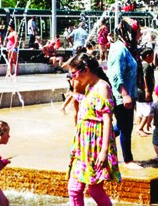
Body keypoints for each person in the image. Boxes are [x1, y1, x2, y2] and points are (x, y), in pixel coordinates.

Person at [67, 53, 121, 205]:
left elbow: (107, 119)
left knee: (95, 191)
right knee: (74, 188)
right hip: (83, 144)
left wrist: (104, 151)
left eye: (74, 73)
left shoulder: (103, 87)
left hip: (95, 146)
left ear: (85, 69)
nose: (74, 78)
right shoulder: (89, 87)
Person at [107, 18, 141, 169]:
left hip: (128, 95)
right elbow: (115, 74)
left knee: (122, 126)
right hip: (121, 96)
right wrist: (125, 94)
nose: (139, 35)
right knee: (126, 127)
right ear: (128, 32)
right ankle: (128, 160)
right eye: (137, 32)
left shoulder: (126, 48)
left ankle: (98, 142)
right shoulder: (119, 49)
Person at [136, 48, 155, 136]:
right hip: (144, 91)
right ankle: (140, 128)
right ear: (148, 56)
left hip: (139, 91)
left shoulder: (140, 64)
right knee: (149, 111)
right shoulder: (146, 66)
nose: (153, 57)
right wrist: (147, 90)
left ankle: (140, 129)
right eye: (152, 55)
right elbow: (144, 77)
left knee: (140, 111)